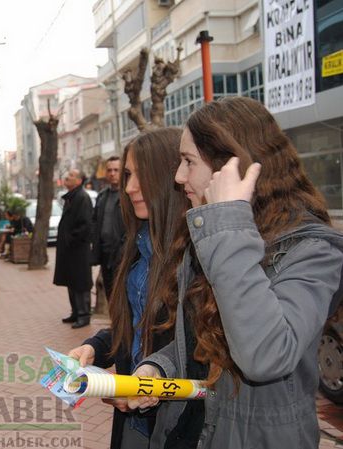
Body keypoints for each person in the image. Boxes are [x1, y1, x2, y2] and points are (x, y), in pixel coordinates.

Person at [130, 97, 343, 449]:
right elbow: (203, 343)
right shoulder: (209, 235)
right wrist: (158, 369)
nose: (178, 176)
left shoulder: (313, 251)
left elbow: (266, 356)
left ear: (229, 168)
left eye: (188, 162)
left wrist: (228, 220)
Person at [68, 128, 187, 449]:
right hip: (133, 421)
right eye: (128, 176)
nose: (130, 188)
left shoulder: (197, 255)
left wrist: (151, 381)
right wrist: (94, 348)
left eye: (141, 176)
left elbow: (200, 350)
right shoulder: (134, 246)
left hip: (177, 424)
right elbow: (133, 328)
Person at [54, 169, 94, 328]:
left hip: (78, 250)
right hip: (70, 251)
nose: (67, 177)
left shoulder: (82, 198)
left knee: (81, 283)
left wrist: (70, 239)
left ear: (79, 181)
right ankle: (76, 312)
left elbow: (85, 225)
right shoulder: (71, 197)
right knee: (71, 281)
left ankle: (84, 315)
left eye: (71, 176)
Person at [90, 156, 126, 305]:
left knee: (123, 296)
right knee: (110, 295)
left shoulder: (128, 195)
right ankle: (115, 327)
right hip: (105, 254)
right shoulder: (102, 196)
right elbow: (95, 222)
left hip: (122, 255)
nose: (112, 173)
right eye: (109, 170)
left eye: (116, 170)